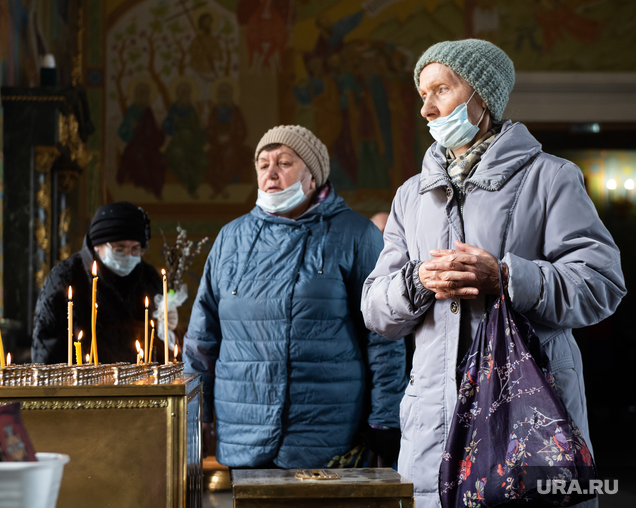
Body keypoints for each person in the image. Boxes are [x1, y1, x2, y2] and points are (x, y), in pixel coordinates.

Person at [361, 39, 626, 508]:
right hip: (433, 427)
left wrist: (506, 276)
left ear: (482, 96)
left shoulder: (551, 177)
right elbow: (376, 309)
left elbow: (601, 285)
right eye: (422, 95)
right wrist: (418, 280)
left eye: (440, 90)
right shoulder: (411, 196)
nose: (426, 109)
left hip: (527, 418)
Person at [183, 125, 406, 468]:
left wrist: (385, 418)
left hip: (328, 434)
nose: (271, 173)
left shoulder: (355, 233)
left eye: (284, 163)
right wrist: (194, 416)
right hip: (243, 433)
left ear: (313, 177)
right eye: (262, 164)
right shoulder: (231, 238)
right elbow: (202, 336)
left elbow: (383, 337)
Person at [32, 202, 163, 364]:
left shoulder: (149, 277)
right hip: (84, 385)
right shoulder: (64, 278)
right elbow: (47, 352)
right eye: (119, 249)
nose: (129, 256)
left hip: (140, 384)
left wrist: (168, 326)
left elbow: (159, 343)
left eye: (135, 249)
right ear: (97, 245)